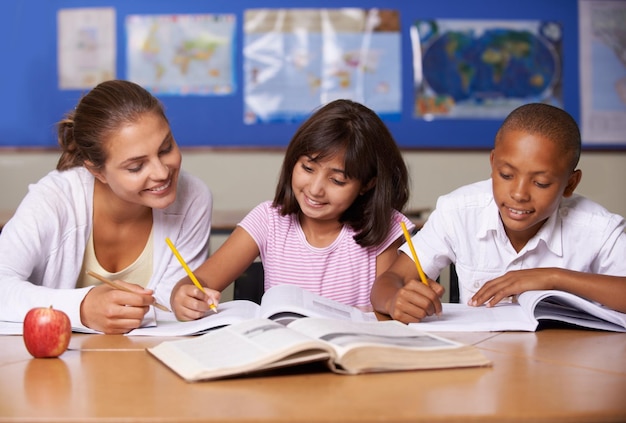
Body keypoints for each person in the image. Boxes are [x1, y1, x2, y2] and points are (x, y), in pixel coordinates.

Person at [370, 103, 626, 323]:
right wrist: (395, 300)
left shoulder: (598, 227)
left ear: (570, 184)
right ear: (493, 164)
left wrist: (552, 278)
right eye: (506, 175)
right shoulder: (458, 211)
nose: (518, 193)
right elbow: (389, 281)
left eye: (541, 183)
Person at [0, 80, 212, 334]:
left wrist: (184, 302)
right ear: (96, 171)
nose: (161, 172)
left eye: (166, 148)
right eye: (136, 167)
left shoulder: (193, 198)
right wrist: (82, 308)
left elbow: (168, 307)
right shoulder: (55, 199)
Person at [171, 99, 414, 321]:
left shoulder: (387, 228)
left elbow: (387, 315)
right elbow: (199, 281)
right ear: (293, 161)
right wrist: (183, 296)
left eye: (337, 181)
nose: (316, 189)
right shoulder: (268, 220)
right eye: (308, 168)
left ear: (367, 184)